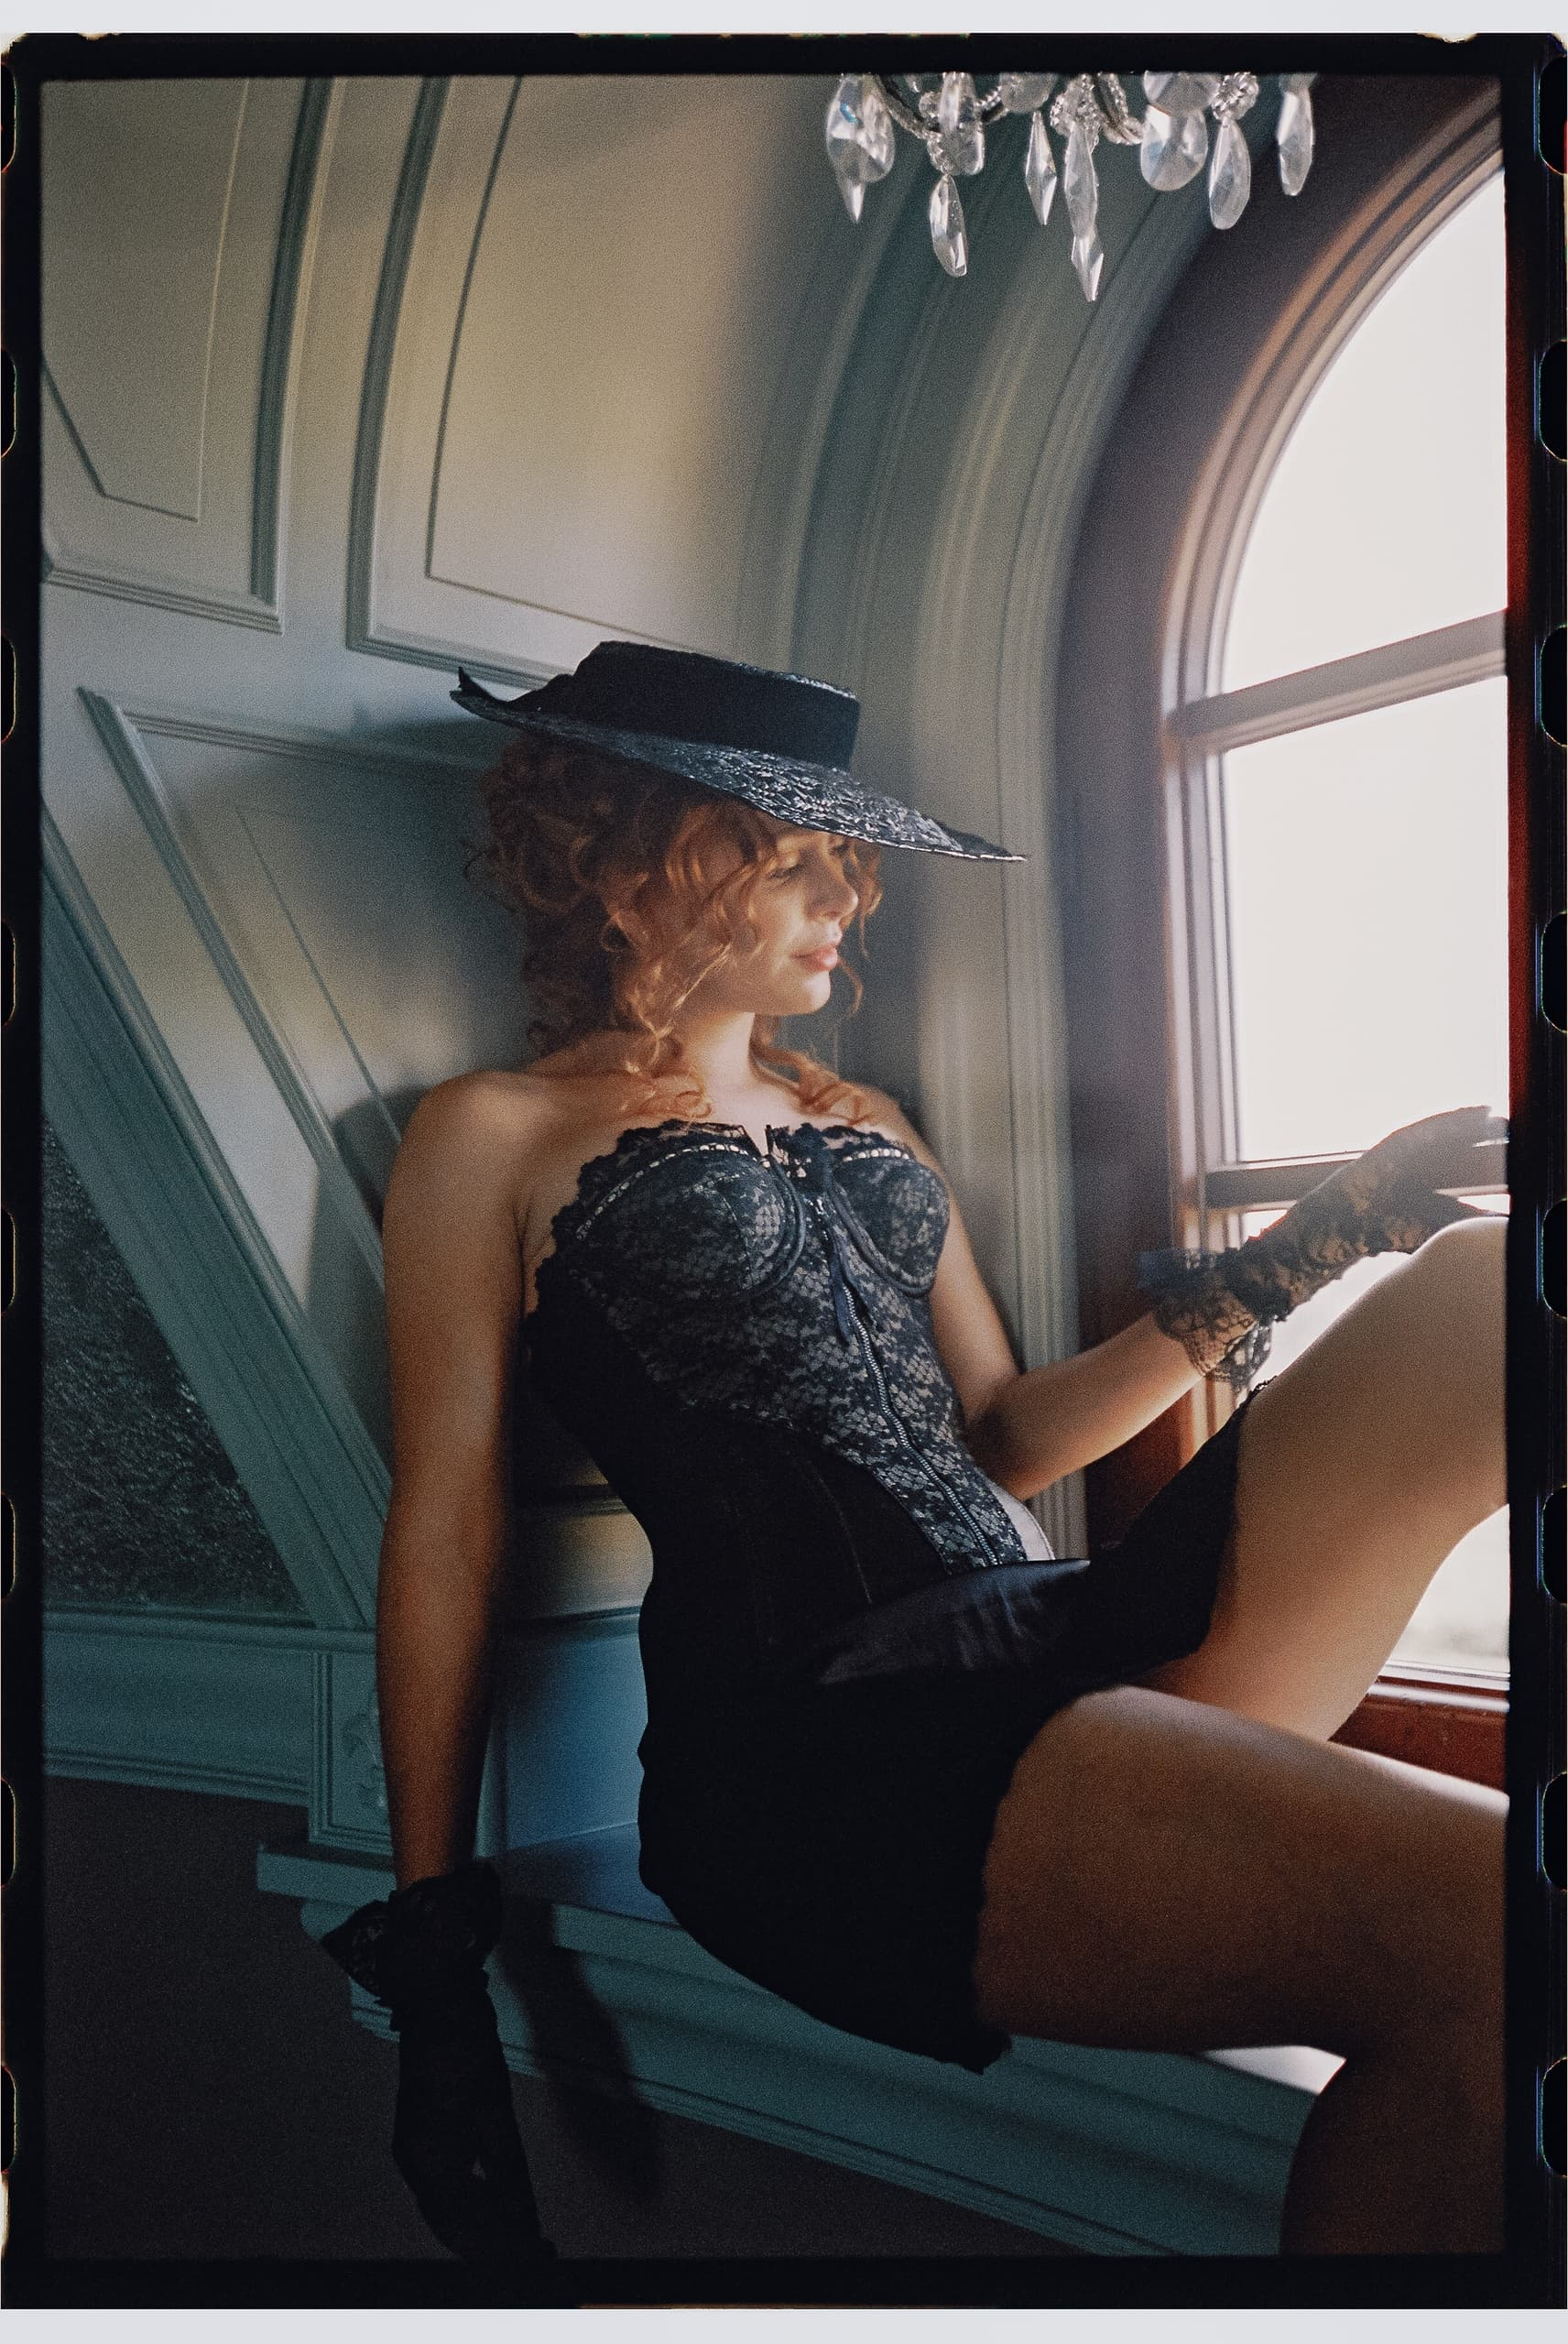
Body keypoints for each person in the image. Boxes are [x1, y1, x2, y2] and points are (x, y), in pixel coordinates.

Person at [322, 640, 1508, 2263]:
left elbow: (1005, 1436)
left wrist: (1331, 1230)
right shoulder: (495, 1135)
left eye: (845, 862)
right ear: (621, 857)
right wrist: (440, 1942)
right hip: (819, 1751)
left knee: (1482, 1295)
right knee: (1503, 1935)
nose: (846, 900)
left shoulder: (865, 1116)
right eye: (792, 858)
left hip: (1047, 1637)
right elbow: (447, 1529)